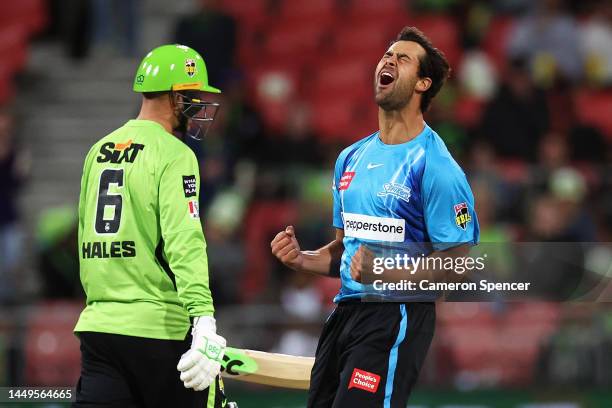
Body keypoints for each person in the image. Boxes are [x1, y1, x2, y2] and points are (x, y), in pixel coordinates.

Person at [271, 27, 479, 407]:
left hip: (396, 316)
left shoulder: (436, 165)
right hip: (344, 313)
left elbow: (458, 264)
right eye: (386, 55)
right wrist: (302, 259)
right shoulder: (350, 157)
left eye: (402, 59)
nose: (388, 61)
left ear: (422, 83)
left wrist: (384, 272)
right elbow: (344, 252)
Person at [73, 44, 234, 407]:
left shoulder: (97, 150)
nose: (200, 108)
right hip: (160, 332)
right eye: (195, 97)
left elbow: (84, 235)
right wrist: (203, 317)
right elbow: (185, 240)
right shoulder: (176, 154)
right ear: (177, 97)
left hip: (99, 328)